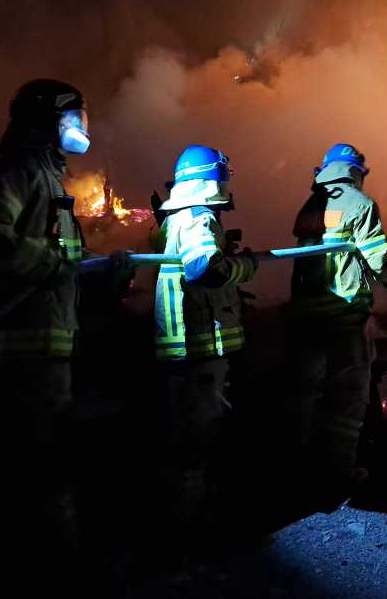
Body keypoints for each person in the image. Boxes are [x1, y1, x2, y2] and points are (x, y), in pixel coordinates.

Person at [0, 79, 130, 573]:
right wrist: (49, 262)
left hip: (47, 346)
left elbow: (62, 261)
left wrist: (104, 270)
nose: (80, 127)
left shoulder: (48, 179)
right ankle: (46, 566)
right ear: (46, 121)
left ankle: (50, 554)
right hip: (19, 347)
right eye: (72, 117)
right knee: (40, 460)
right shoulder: (20, 172)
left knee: (50, 455)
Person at [289, 143, 387, 508]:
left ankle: (297, 475)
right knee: (346, 402)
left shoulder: (312, 204)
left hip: (306, 318)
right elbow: (377, 261)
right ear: (356, 172)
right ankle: (336, 480)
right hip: (343, 319)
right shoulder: (360, 204)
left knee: (306, 397)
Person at [152, 145, 258, 518]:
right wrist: (244, 266)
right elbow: (204, 268)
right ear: (211, 179)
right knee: (202, 429)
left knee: (183, 428)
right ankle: (195, 516)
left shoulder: (174, 217)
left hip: (181, 340)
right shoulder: (200, 216)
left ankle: (182, 509)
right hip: (202, 341)